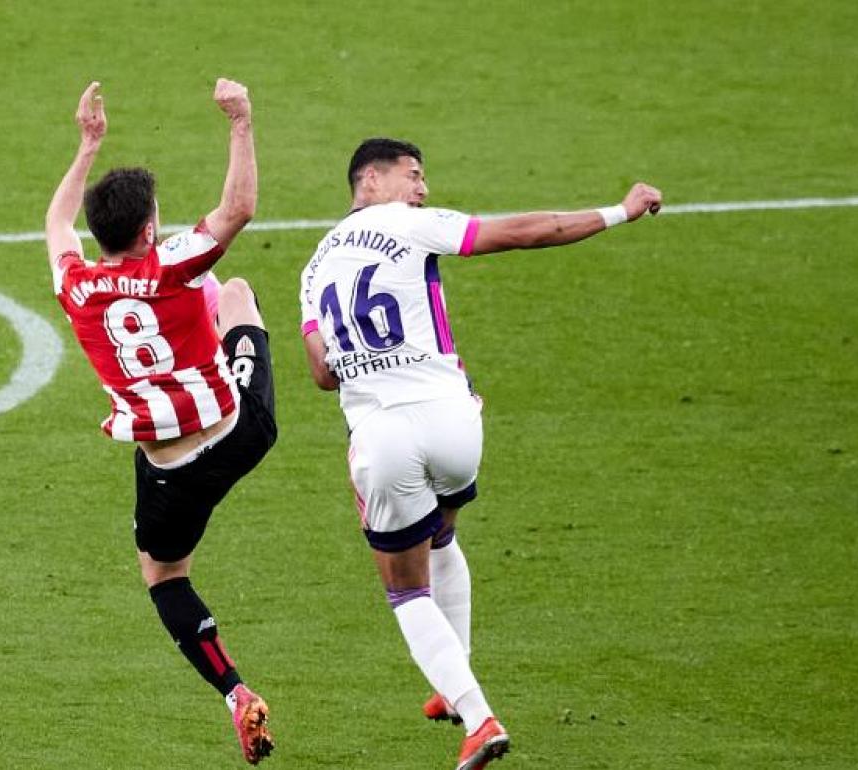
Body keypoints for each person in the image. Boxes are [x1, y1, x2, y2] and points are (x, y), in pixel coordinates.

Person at [298, 137, 662, 770]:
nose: (423, 189)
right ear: (371, 180)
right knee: (440, 537)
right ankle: (451, 680)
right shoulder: (410, 226)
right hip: (454, 422)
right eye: (413, 176)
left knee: (406, 590)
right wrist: (621, 210)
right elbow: (526, 231)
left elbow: (323, 374)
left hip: (382, 435)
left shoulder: (312, 268)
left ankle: (477, 715)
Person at [46, 79, 277, 765]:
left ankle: (235, 692)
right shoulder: (173, 263)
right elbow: (239, 208)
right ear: (149, 229)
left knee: (165, 577)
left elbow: (55, 227)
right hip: (239, 432)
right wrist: (240, 121)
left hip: (168, 469)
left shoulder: (76, 285)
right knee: (235, 293)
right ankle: (211, 330)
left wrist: (87, 146)